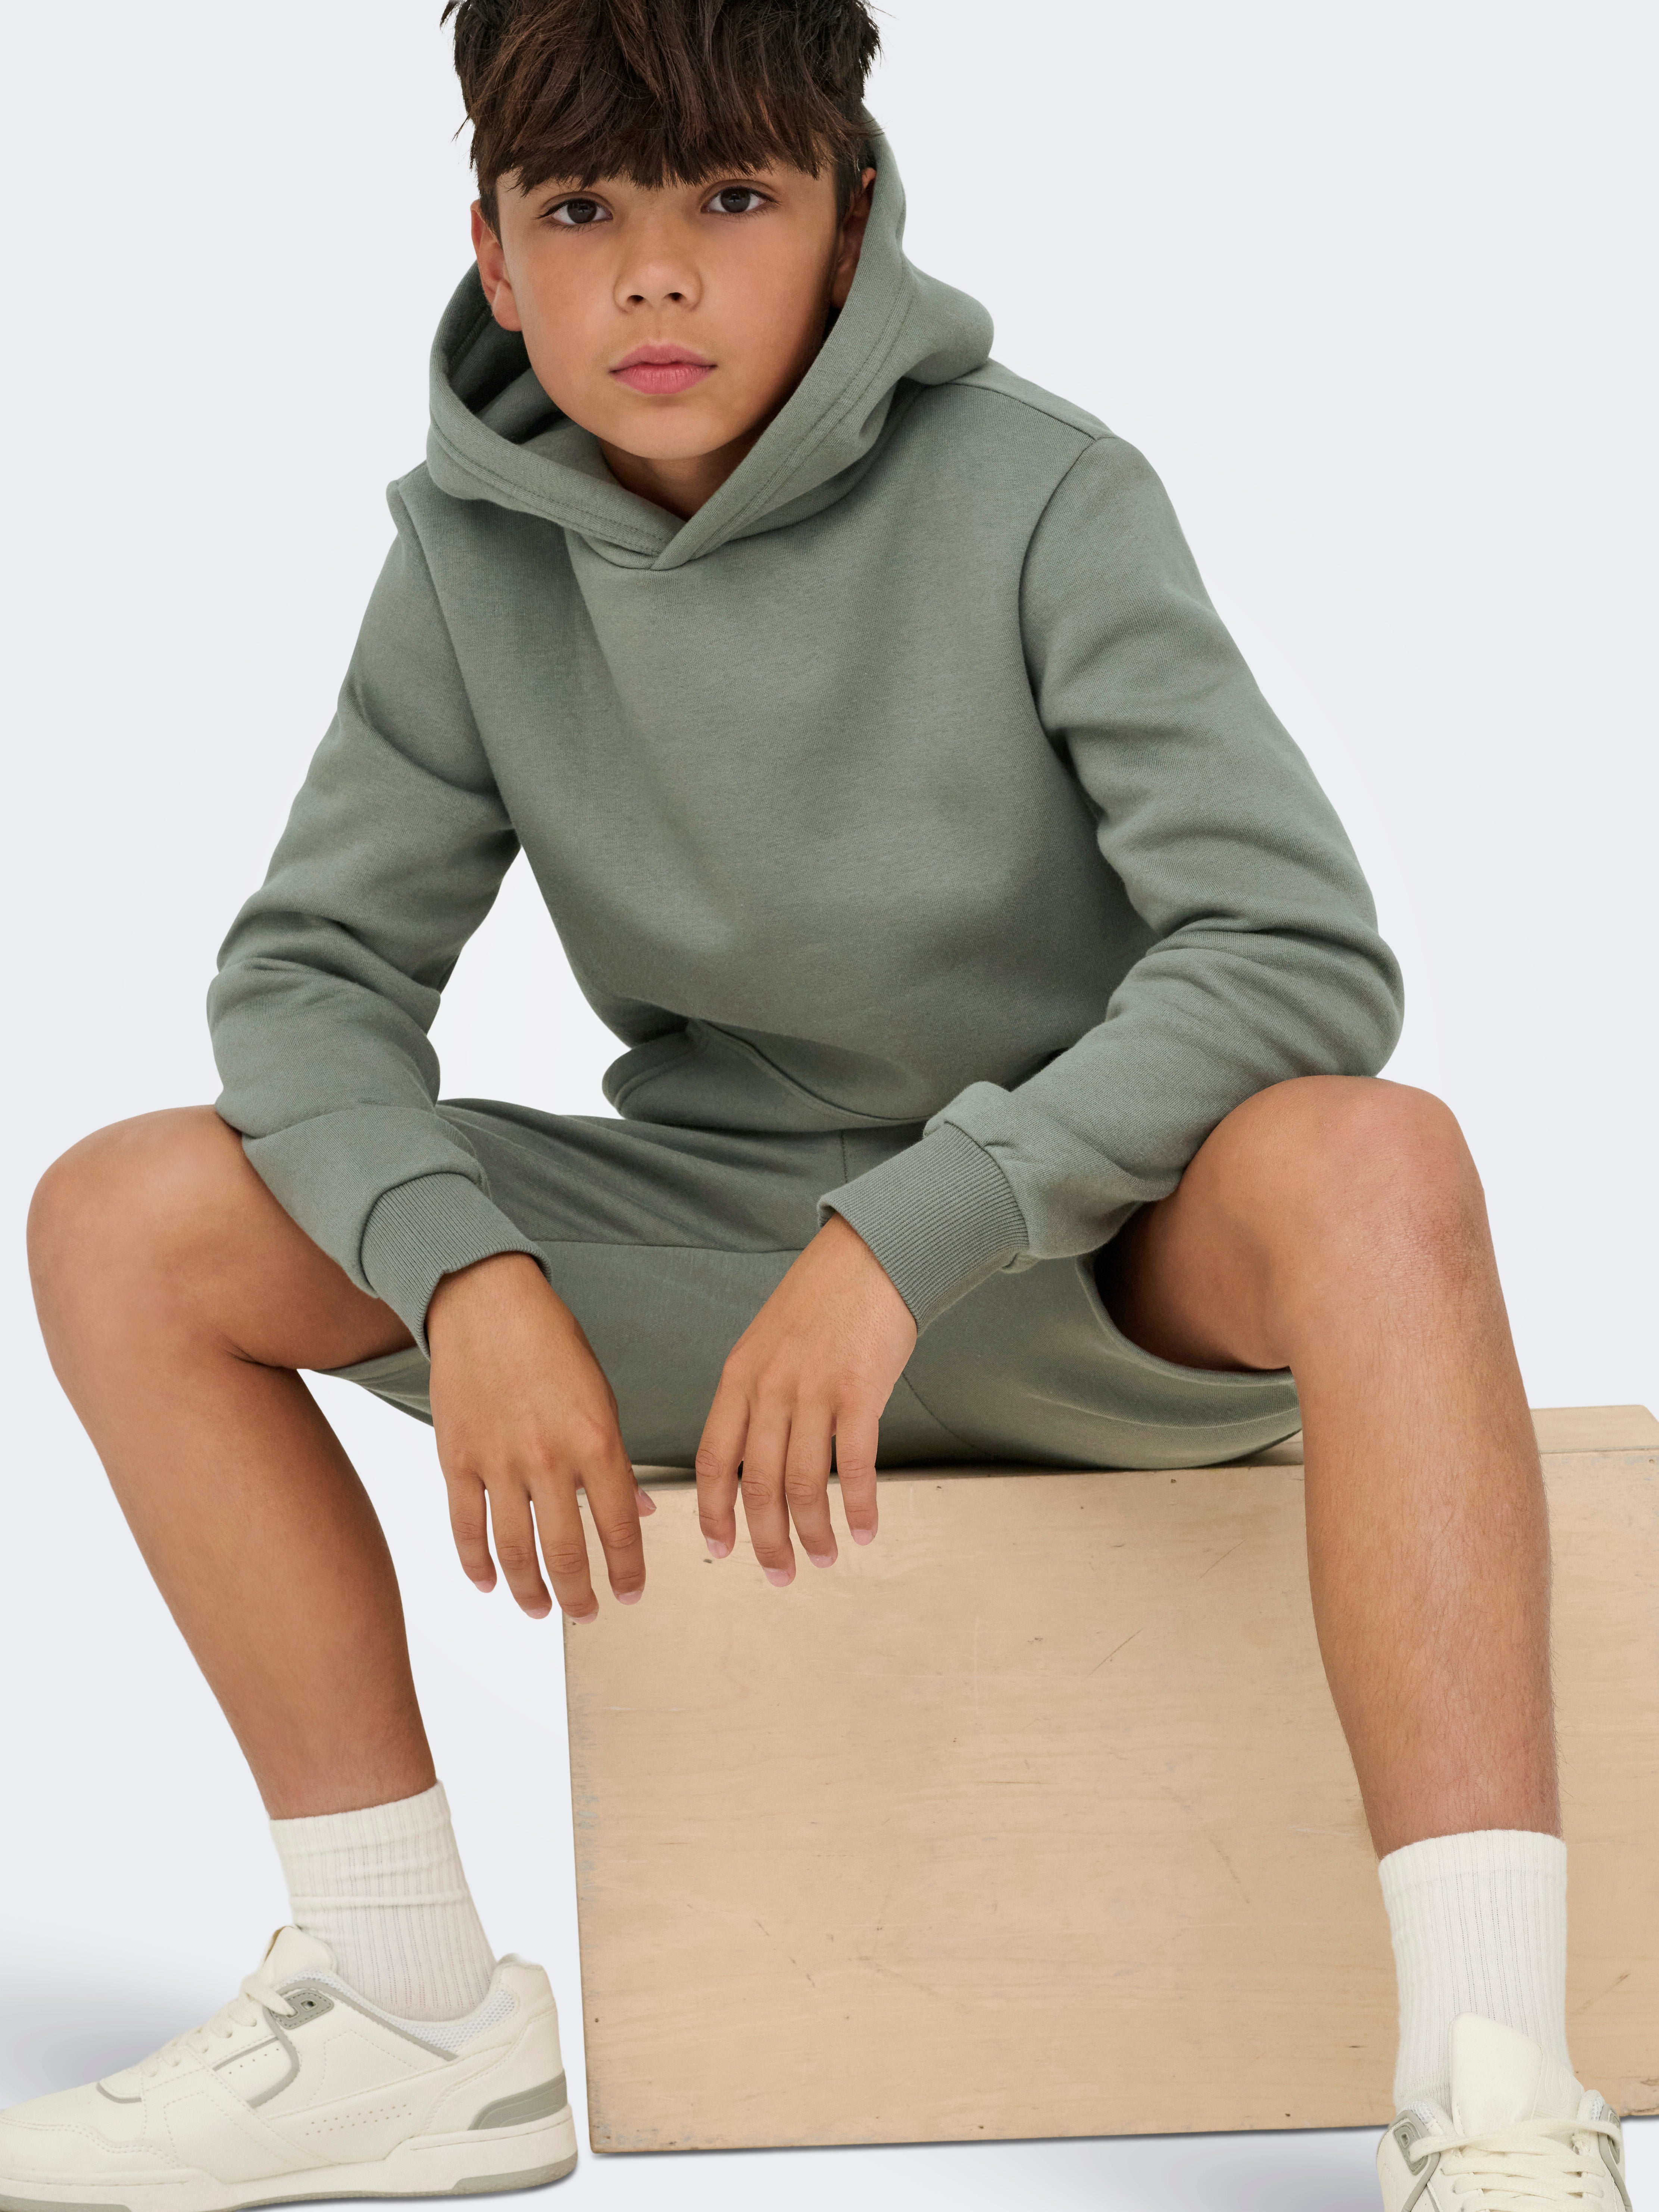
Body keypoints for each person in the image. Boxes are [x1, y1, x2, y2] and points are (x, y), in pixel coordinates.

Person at [8, 3, 1630, 2208]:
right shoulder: (470, 557)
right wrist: (462, 1270)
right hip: (719, 1269)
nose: (656, 276)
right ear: (493, 253)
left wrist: (922, 1227)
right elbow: (308, 980)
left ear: (850, 222)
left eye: (732, 197)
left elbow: (1292, 950)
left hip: (1095, 1262)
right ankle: (409, 2011)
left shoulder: (1042, 494)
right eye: (582, 211)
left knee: (1382, 1149)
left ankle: (1496, 2084)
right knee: (126, 1216)